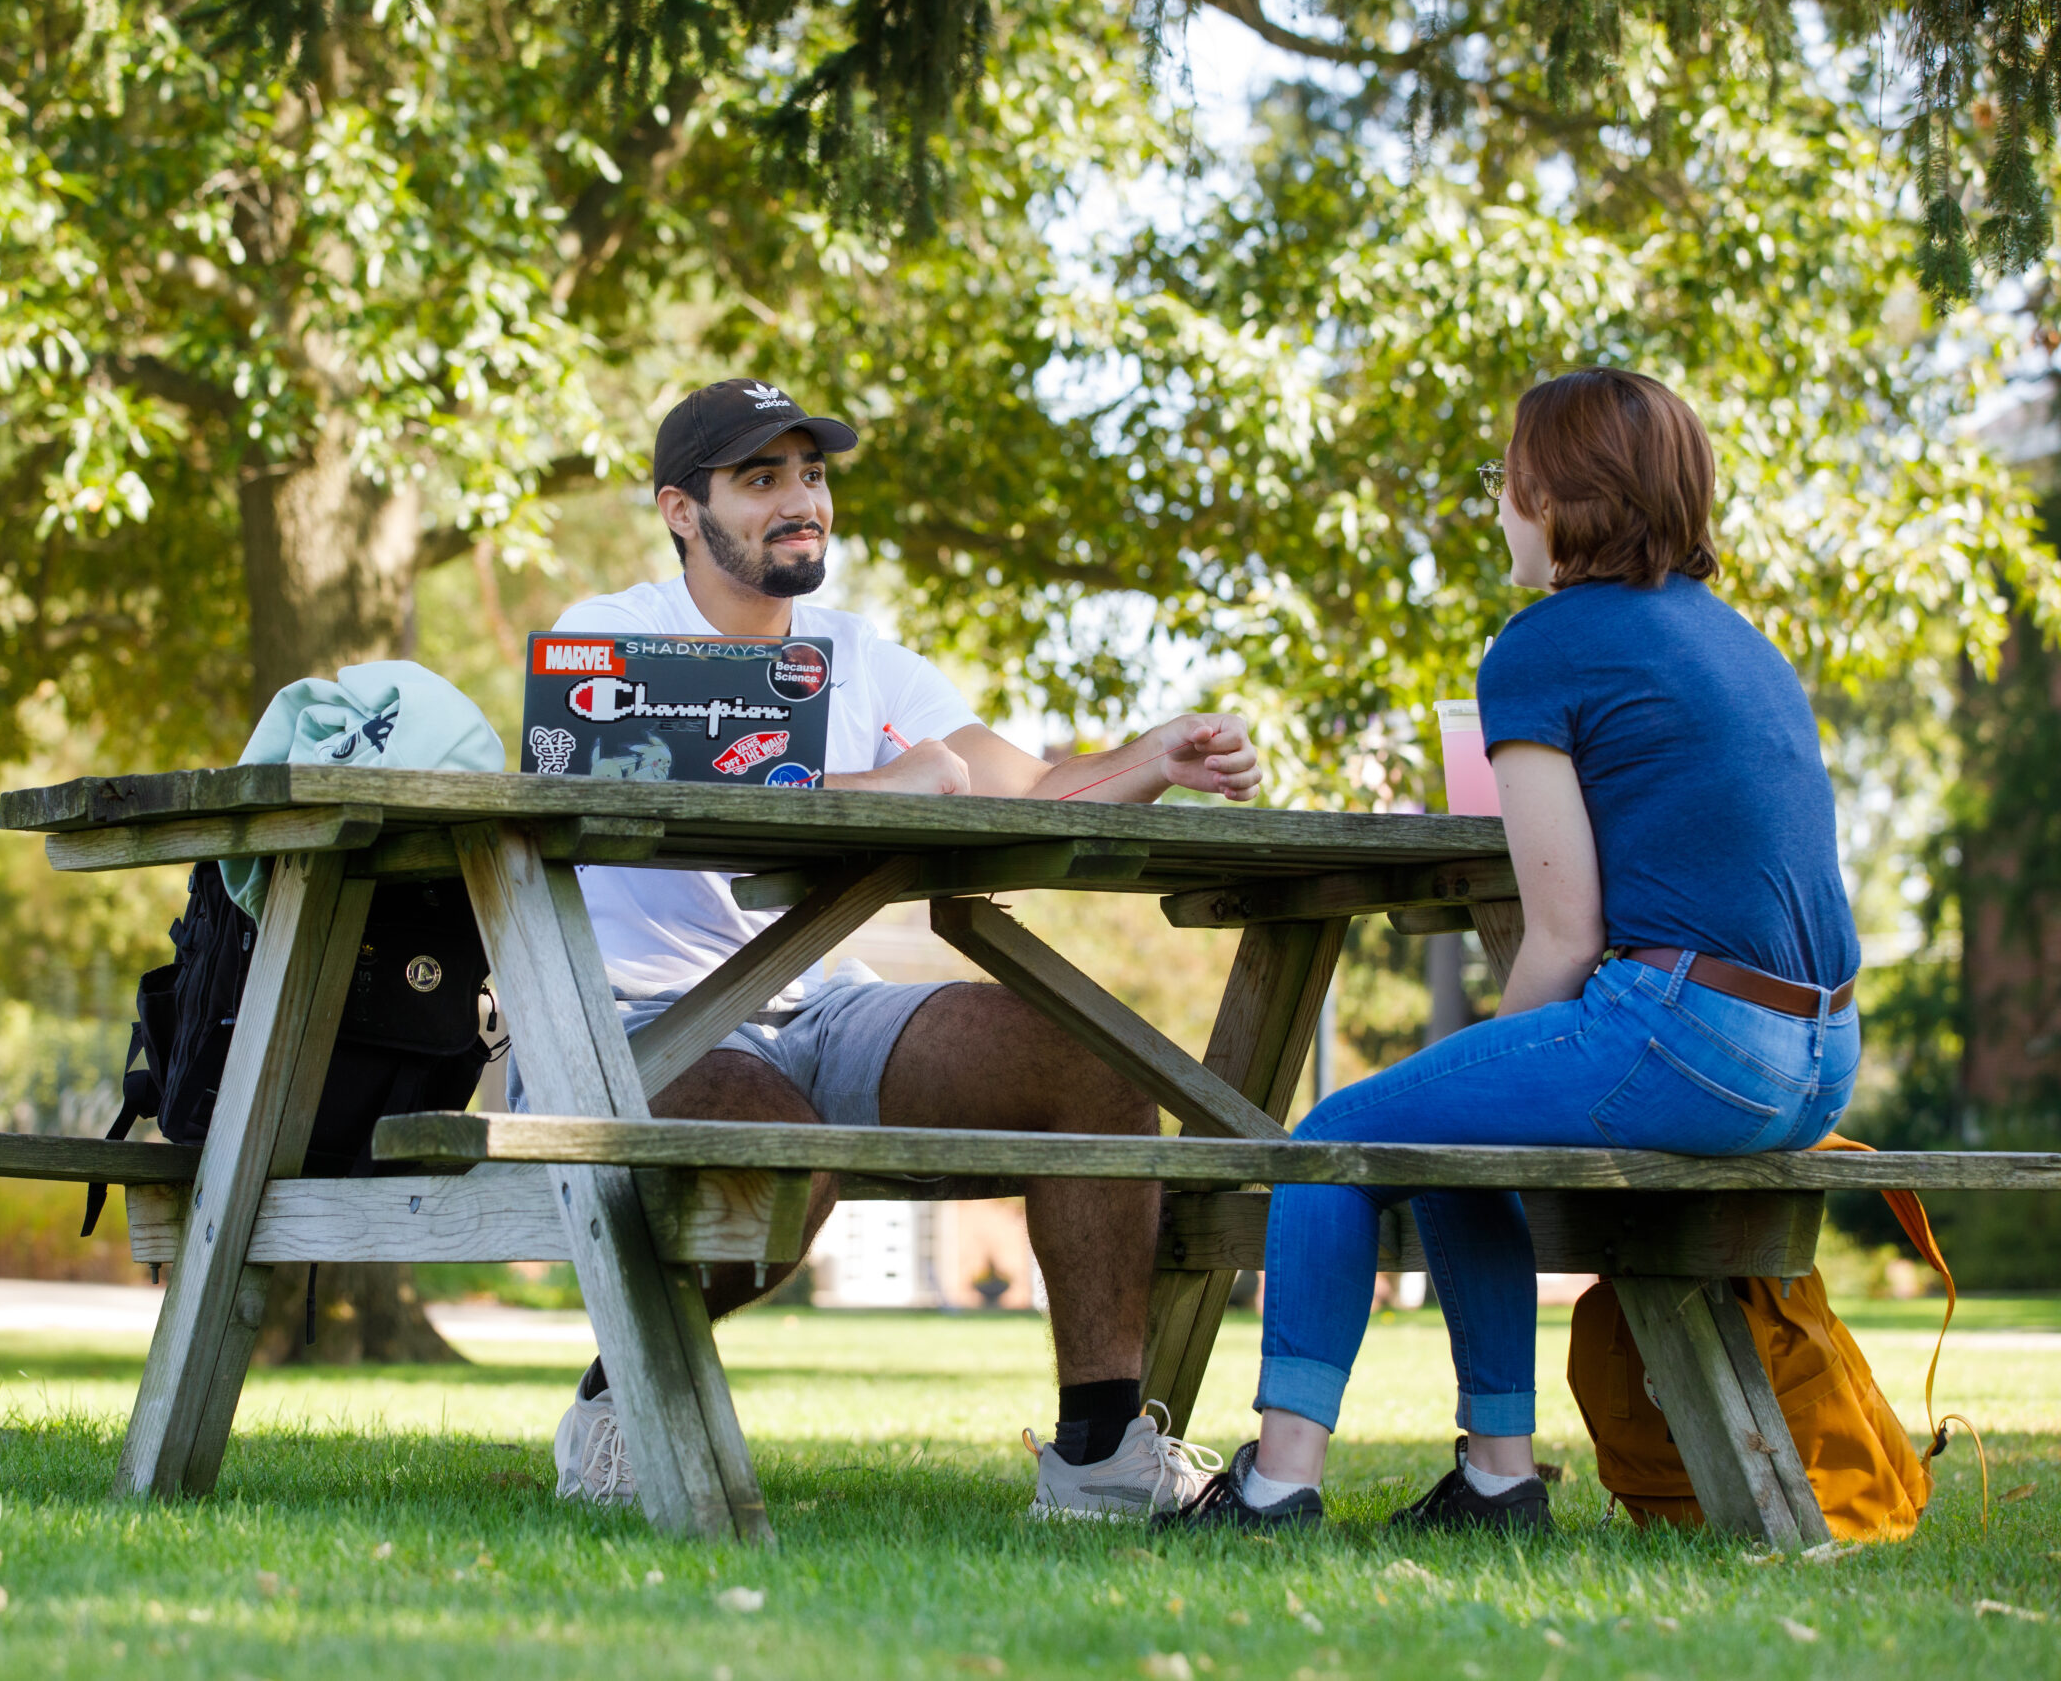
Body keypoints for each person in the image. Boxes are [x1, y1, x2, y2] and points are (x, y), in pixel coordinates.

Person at [531, 378, 1266, 1519]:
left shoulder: (856, 653)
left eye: (811, 475)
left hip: (820, 1011)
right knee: (789, 1157)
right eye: (761, 479)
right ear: (683, 511)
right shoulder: (607, 636)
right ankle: (616, 1400)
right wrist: (879, 783)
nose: (800, 502)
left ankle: (1100, 1456)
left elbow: (1025, 785)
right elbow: (609, 775)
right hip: (625, 1023)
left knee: (1098, 1066)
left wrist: (1156, 757)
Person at [1159, 368, 1863, 1535]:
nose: (1499, 503)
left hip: (1692, 1038)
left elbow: (1564, 935)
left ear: (1561, 492)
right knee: (1451, 1127)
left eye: (1508, 478)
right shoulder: (1736, 639)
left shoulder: (1540, 650)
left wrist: (1498, 1048)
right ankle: (1496, 1481)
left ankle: (1275, 1486)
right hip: (1817, 1057)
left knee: (1333, 1133)